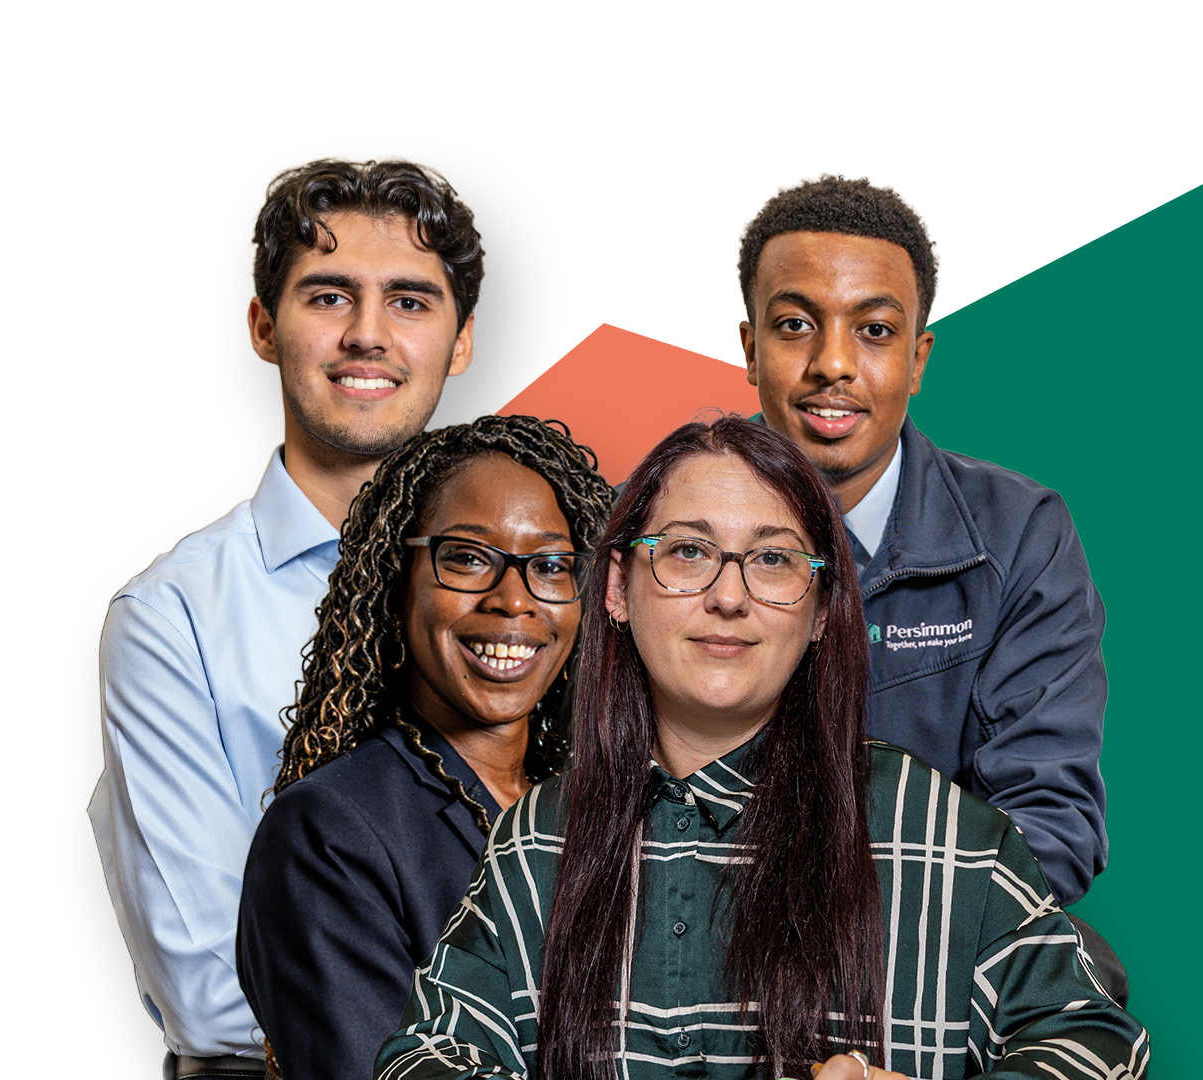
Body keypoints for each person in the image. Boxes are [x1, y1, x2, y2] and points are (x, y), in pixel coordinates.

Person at [375, 417, 1147, 1080]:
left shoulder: (937, 829)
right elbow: (423, 1056)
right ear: (614, 587)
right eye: (686, 552)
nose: (729, 594)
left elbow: (1096, 1040)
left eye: (773, 559)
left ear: (819, 612)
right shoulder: (539, 838)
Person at [89, 152, 485, 1076]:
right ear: (264, 326)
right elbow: (211, 996)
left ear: (461, 341)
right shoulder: (172, 619)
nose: (368, 335)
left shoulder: (543, 592)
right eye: (328, 296)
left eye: (411, 301)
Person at [736, 176, 1107, 916]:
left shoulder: (1018, 535)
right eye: (793, 325)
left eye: (873, 330)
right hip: (717, 937)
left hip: (937, 945)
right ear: (748, 348)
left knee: (1096, 989)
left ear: (917, 359)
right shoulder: (658, 529)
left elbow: (1049, 820)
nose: (832, 364)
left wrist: (879, 953)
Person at [237, 413, 614, 1080]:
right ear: (396, 579)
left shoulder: (597, 810)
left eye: (551, 566)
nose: (513, 601)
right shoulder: (327, 836)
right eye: (467, 557)